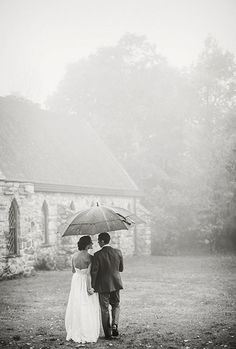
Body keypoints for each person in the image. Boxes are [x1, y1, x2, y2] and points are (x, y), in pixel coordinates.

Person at [65, 235, 100, 343]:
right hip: (85, 280)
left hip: (76, 280)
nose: (92, 244)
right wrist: (89, 288)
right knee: (86, 304)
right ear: (87, 245)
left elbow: (73, 271)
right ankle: (87, 330)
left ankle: (75, 329)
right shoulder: (90, 257)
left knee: (76, 303)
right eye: (91, 243)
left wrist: (79, 273)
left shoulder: (74, 256)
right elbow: (89, 274)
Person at [91, 232, 124, 340]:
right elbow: (121, 269)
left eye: (98, 241)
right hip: (115, 283)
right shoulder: (118, 252)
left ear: (102, 241)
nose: (98, 242)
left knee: (104, 309)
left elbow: (94, 272)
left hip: (103, 285)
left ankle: (108, 333)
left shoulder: (97, 255)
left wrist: (93, 286)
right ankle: (115, 324)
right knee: (116, 305)